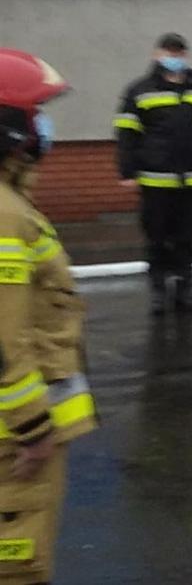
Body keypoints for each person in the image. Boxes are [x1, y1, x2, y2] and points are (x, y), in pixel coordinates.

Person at [0, 48, 96, 584]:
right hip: (13, 445)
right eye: (36, 112)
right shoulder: (5, 217)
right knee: (16, 565)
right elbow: (3, 341)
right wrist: (33, 427)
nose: (44, 125)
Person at [114, 33, 192, 317]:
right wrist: (127, 170)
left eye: (178, 53)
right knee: (156, 237)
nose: (174, 58)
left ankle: (185, 288)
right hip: (155, 178)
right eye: (168, 52)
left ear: (185, 56)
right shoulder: (140, 90)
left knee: (187, 237)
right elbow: (127, 133)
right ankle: (158, 290)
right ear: (157, 54)